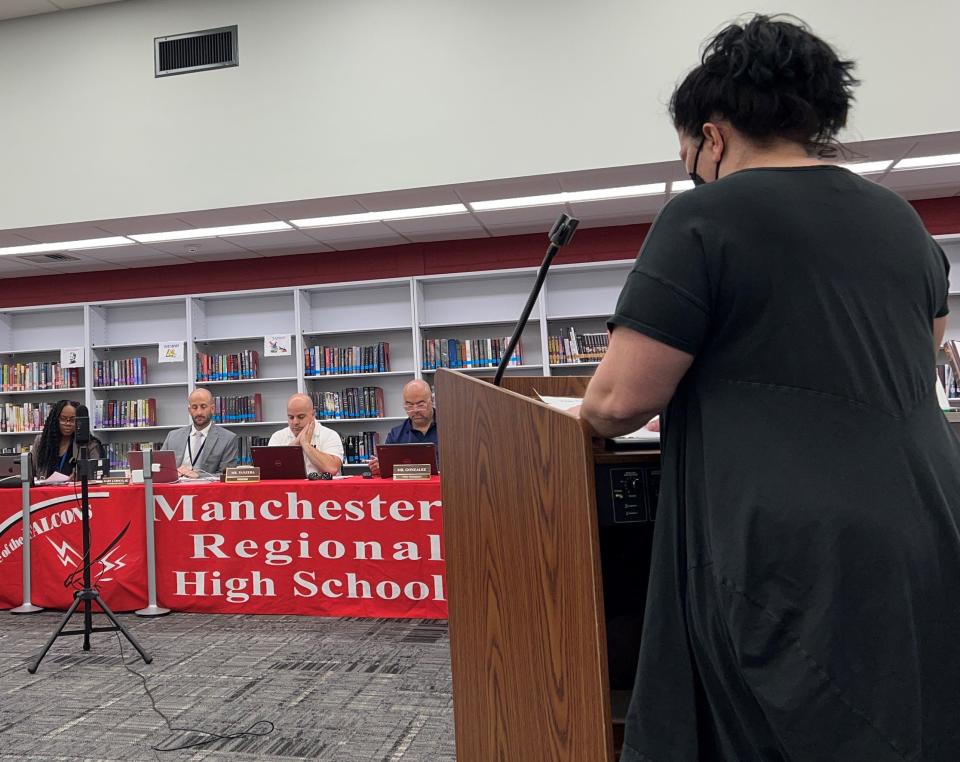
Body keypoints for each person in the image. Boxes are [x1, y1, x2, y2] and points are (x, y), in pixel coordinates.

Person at [579, 15, 960, 761]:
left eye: (687, 152)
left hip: (790, 547)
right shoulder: (900, 221)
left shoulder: (703, 216)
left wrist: (586, 408)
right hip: (927, 516)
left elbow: (620, 401)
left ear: (711, 138)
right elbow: (926, 350)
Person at [161, 388, 239, 477]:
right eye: (194, 407)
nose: (199, 412)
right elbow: (160, 469)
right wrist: (173, 473)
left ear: (212, 409)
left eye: (203, 406)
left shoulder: (228, 439)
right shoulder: (173, 436)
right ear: (189, 410)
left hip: (208, 489)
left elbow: (227, 475)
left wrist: (198, 475)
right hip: (176, 488)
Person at [369, 379, 437, 477]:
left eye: (421, 405)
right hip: (408, 489)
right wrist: (380, 468)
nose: (415, 410)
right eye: (409, 405)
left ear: (432, 400)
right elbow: (388, 471)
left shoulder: (450, 428)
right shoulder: (396, 435)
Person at [268, 393, 343, 476]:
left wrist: (305, 444)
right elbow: (271, 470)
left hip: (322, 488)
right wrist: (296, 444)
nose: (295, 422)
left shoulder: (330, 435)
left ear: (313, 415)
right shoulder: (277, 437)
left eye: (301, 417)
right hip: (289, 488)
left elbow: (332, 469)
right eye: (291, 417)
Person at [31, 399, 104, 479]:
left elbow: (98, 474)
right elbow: (30, 472)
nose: (68, 423)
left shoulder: (90, 444)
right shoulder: (41, 442)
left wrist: (81, 476)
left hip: (76, 490)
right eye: (63, 419)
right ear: (55, 420)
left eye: (73, 420)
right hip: (46, 490)